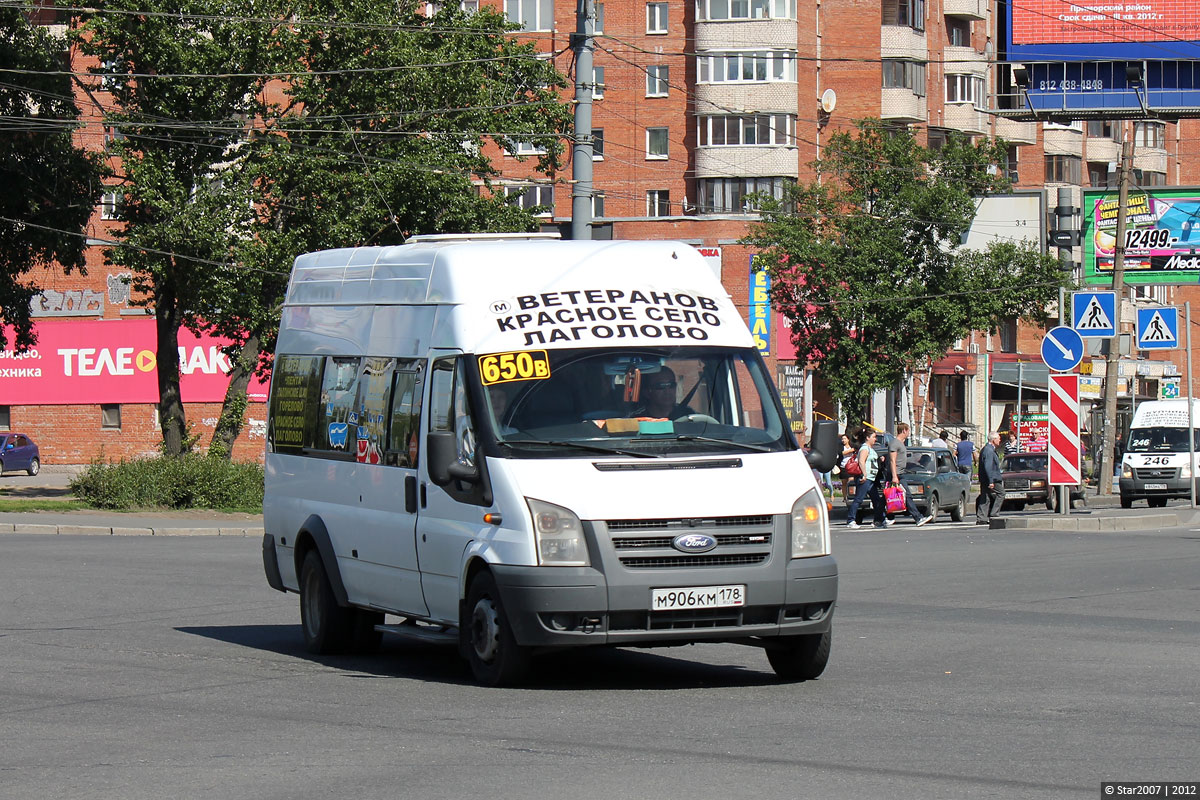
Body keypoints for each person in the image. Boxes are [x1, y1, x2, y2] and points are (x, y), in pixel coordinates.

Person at [887, 422, 934, 527]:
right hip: (896, 474)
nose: (909, 433)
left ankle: (879, 519)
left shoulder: (900, 443)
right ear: (904, 430)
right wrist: (894, 476)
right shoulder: (895, 443)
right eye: (908, 431)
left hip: (900, 473)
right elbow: (892, 460)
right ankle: (918, 518)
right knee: (906, 495)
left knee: (886, 497)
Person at [846, 429, 887, 529]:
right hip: (865, 477)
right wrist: (864, 474)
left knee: (876, 499)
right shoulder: (864, 448)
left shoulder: (871, 449)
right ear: (867, 438)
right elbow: (861, 461)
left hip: (871, 478)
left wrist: (880, 459)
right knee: (859, 499)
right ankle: (851, 520)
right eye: (873, 437)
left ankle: (879, 520)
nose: (875, 439)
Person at [976, 431, 1004, 524]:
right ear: (993, 440)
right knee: (1001, 494)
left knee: (985, 497)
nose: (1000, 440)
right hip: (992, 479)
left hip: (987, 478)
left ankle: (982, 518)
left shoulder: (988, 449)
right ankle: (994, 514)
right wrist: (991, 481)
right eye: (998, 438)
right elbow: (988, 466)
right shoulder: (989, 450)